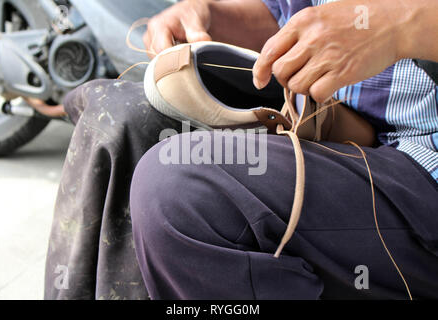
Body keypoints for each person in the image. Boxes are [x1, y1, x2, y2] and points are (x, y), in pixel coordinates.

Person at [45, 0, 438, 300]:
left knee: (182, 191)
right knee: (116, 118)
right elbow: (287, 13)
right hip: (346, 127)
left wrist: (402, 26)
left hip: (424, 167)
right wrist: (209, 15)